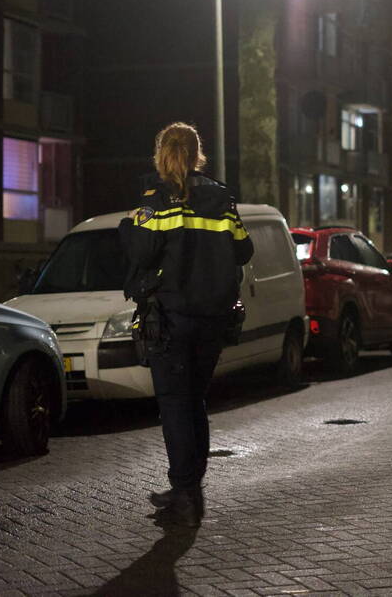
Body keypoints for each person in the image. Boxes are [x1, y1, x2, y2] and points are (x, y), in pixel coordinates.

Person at [119, 122, 253, 527]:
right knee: (194, 401)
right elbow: (244, 250)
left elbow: (142, 253)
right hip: (213, 319)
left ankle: (183, 493)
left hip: (171, 319)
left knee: (175, 404)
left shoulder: (156, 199)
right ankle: (191, 489)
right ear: (198, 154)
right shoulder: (221, 197)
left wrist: (129, 224)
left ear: (160, 154)